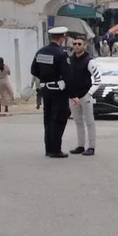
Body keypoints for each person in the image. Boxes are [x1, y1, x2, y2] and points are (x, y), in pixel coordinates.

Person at [31, 26, 73, 158]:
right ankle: (55, 149)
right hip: (58, 90)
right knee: (59, 118)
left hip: (45, 90)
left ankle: (48, 148)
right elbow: (67, 75)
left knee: (48, 119)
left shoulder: (40, 52)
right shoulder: (61, 54)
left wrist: (45, 77)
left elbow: (34, 70)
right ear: (62, 38)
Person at [68, 36, 101, 156]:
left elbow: (98, 79)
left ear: (85, 46)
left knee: (89, 122)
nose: (76, 46)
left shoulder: (89, 61)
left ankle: (91, 147)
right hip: (73, 97)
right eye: (75, 44)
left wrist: (89, 94)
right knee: (78, 122)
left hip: (85, 96)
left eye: (79, 44)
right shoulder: (70, 60)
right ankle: (80, 145)